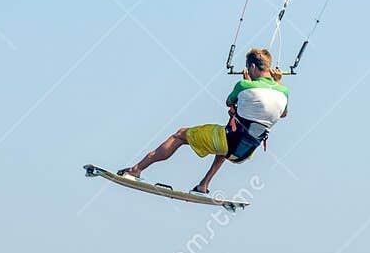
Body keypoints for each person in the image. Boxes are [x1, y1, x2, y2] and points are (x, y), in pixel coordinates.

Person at [120, 48, 289, 193]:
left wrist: (246, 82)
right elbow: (283, 114)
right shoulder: (284, 92)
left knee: (180, 135)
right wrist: (278, 82)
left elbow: (229, 102)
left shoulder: (244, 86)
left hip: (229, 141)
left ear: (252, 66)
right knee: (227, 137)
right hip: (245, 152)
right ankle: (204, 185)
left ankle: (136, 170)